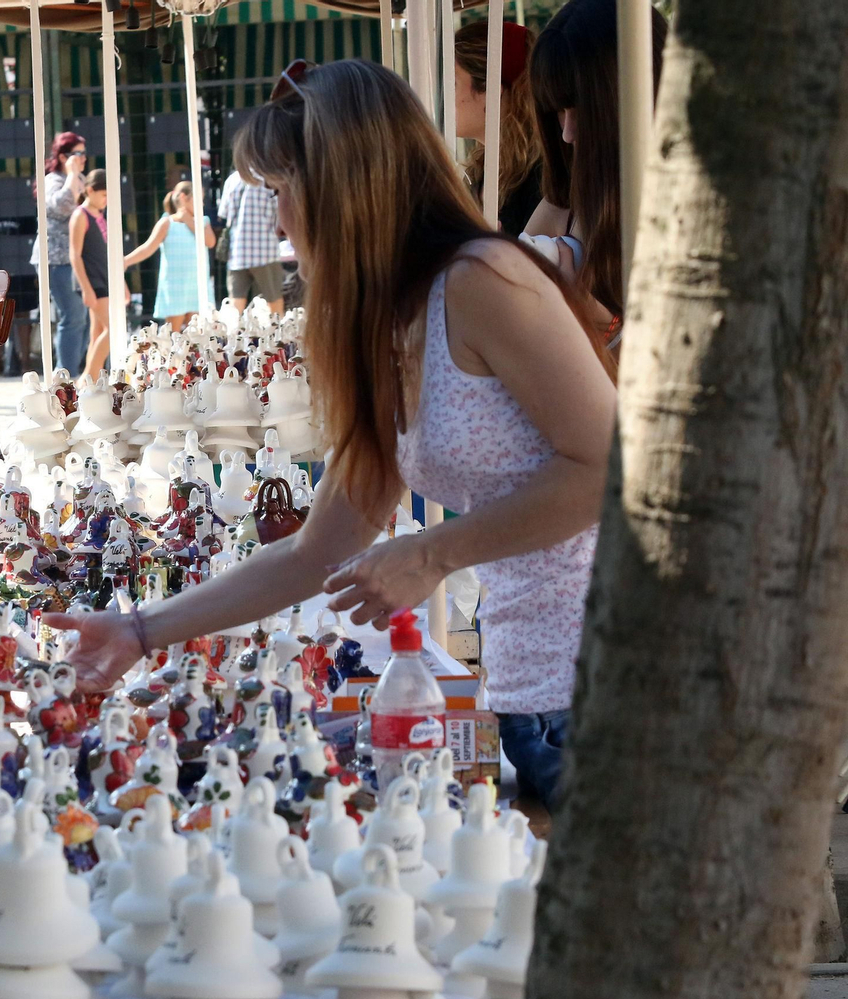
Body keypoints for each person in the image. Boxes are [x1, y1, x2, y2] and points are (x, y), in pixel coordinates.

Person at [50, 59, 617, 812]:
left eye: (281, 190)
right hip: (531, 703)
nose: (278, 219)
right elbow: (317, 551)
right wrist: (139, 629)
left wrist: (432, 553)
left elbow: (608, 468)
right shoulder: (397, 317)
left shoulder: (483, 281)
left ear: (344, 187)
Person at [525, 0, 668, 336]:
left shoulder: (695, 208)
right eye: (558, 111)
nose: (567, 133)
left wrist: (600, 327)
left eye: (582, 111)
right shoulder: (565, 201)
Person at [454, 21, 543, 236]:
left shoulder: (541, 180)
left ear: (491, 91)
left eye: (452, 84)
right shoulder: (481, 172)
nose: (443, 96)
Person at [33, 132, 91, 376]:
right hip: (56, 260)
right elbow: (63, 206)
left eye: (84, 153)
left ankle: (73, 371)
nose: (83, 158)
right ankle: (65, 374)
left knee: (85, 317)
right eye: (78, 153)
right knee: (73, 316)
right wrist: (72, 175)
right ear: (64, 156)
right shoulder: (54, 180)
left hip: (77, 259)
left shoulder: (80, 179)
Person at [124, 179, 216, 330]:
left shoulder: (202, 222)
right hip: (175, 287)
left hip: (197, 286)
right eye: (198, 199)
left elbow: (210, 241)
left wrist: (188, 220)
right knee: (173, 334)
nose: (202, 204)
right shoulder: (166, 223)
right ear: (183, 198)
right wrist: (126, 261)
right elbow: (148, 248)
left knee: (198, 334)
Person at [69, 169, 126, 383]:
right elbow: (75, 255)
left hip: (103, 279)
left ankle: (93, 381)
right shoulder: (80, 215)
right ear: (90, 191)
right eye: (104, 195)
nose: (106, 200)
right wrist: (86, 288)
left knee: (98, 332)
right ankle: (87, 379)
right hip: (92, 281)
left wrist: (122, 284)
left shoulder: (99, 215)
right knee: (114, 329)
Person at [218, 166, 284, 315]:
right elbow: (279, 214)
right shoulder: (270, 180)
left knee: (235, 305)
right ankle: (279, 329)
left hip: (237, 252)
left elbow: (223, 213)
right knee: (274, 302)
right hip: (266, 251)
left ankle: (234, 330)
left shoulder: (233, 180)